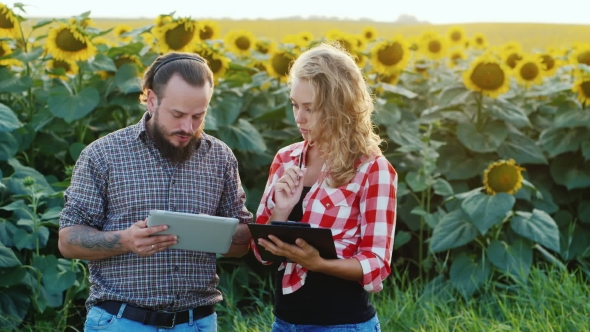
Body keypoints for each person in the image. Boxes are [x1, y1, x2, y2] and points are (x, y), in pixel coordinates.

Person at [58, 51, 253, 332]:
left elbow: (241, 245)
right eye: (177, 114)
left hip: (196, 322)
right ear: (151, 99)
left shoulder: (220, 157)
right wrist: (125, 240)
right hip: (121, 321)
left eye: (199, 116)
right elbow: (68, 241)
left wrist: (213, 231)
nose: (188, 126)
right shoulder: (103, 155)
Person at [252, 42, 398, 331]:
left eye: (310, 108)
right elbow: (261, 254)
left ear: (339, 106)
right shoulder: (285, 159)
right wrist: (281, 211)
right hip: (284, 323)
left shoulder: (372, 169)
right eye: (295, 104)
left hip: (343, 324)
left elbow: (376, 263)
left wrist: (319, 264)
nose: (299, 118)